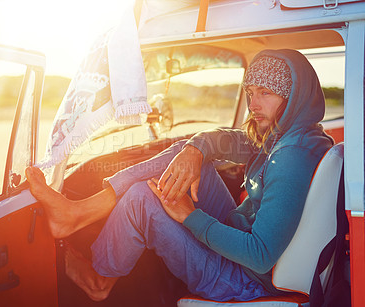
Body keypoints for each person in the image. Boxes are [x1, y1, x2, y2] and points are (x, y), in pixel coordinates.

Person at [26, 49, 334, 302]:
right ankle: (80, 211)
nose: (253, 104)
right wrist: (196, 148)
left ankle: (99, 280)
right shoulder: (294, 134)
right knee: (184, 156)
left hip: (245, 281)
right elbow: (228, 141)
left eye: (265, 93)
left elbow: (260, 255)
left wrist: (189, 217)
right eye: (250, 92)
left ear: (292, 96)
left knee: (140, 201)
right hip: (243, 252)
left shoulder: (291, 156)